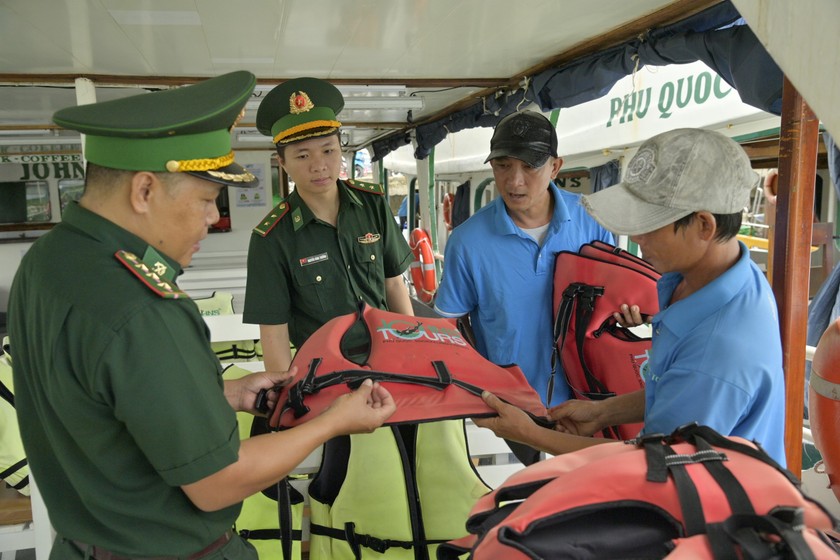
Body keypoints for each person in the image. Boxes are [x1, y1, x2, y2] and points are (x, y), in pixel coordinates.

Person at [7, 71, 396, 560]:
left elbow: (98, 396)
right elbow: (218, 481)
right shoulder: (144, 307)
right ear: (144, 191)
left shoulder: (49, 262)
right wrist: (332, 422)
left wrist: (224, 394)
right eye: (206, 200)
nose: (214, 220)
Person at [474, 127, 787, 467]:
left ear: (704, 226)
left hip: (713, 509)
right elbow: (674, 384)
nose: (636, 236)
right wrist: (603, 411)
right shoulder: (718, 277)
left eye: (650, 224)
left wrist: (530, 434)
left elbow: (653, 464)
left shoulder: (720, 347)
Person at [433, 110, 614, 407]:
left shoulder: (593, 220)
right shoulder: (467, 242)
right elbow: (449, 328)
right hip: (507, 407)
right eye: (503, 165)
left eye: (529, 166)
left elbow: (612, 302)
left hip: (588, 399)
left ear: (555, 167)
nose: (514, 181)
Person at [244, 76, 413, 371]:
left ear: (340, 148)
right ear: (281, 163)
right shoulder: (271, 238)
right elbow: (274, 334)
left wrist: (415, 354)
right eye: (303, 155)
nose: (319, 165)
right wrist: (290, 402)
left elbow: (394, 285)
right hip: (325, 375)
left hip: (390, 361)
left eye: (328, 150)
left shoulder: (372, 204)